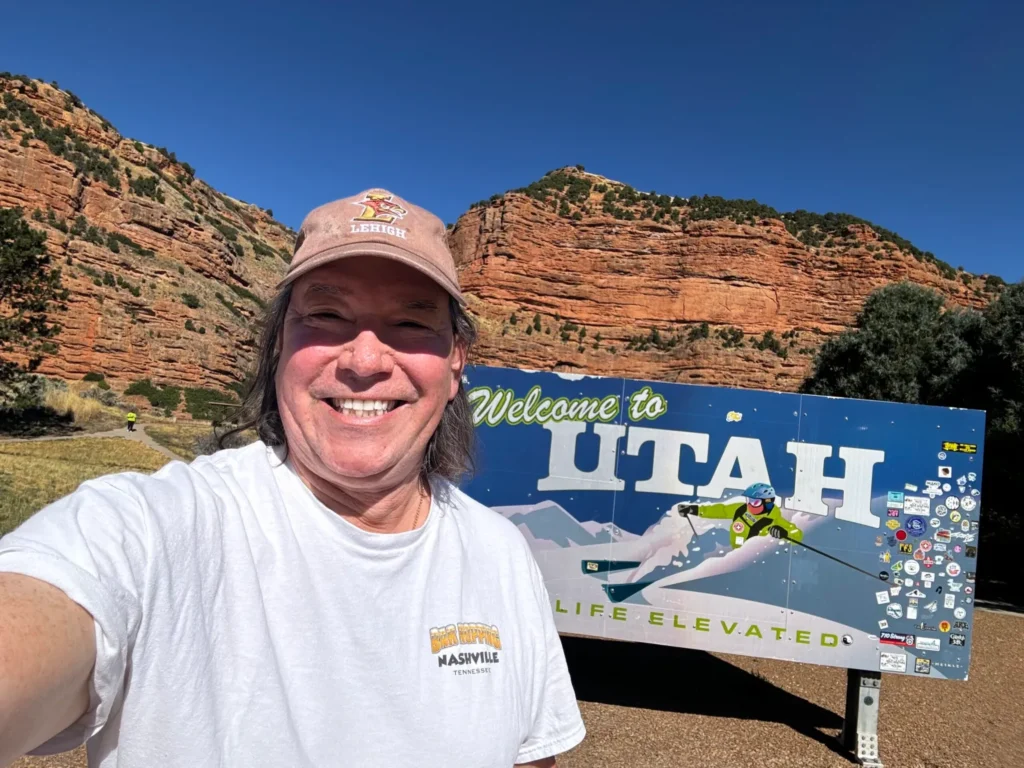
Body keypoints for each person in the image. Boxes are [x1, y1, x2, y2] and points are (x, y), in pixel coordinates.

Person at [0, 189, 586, 767]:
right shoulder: (157, 527)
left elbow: (529, 758)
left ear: (456, 362)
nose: (365, 360)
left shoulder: (499, 553)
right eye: (327, 315)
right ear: (280, 342)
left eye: (411, 322)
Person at [677, 482, 803, 549]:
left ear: (767, 503)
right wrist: (693, 509)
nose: (750, 505)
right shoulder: (741, 509)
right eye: (749, 500)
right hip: (733, 554)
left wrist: (785, 533)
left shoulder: (774, 520)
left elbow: (796, 534)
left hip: (751, 563)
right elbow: (720, 510)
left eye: (755, 502)